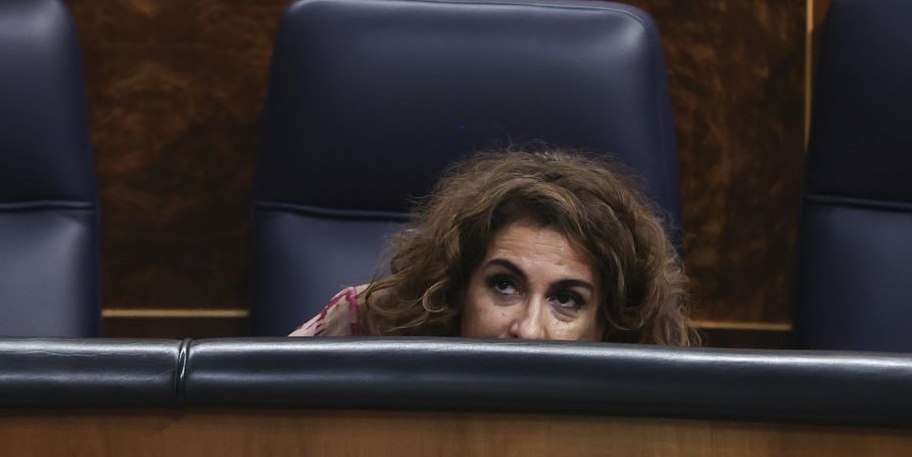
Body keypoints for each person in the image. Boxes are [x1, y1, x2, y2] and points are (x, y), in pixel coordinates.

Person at [290, 149, 696, 345]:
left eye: (567, 299)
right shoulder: (367, 327)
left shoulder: (639, 419)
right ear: (457, 290)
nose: (528, 329)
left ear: (606, 327)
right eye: (504, 285)